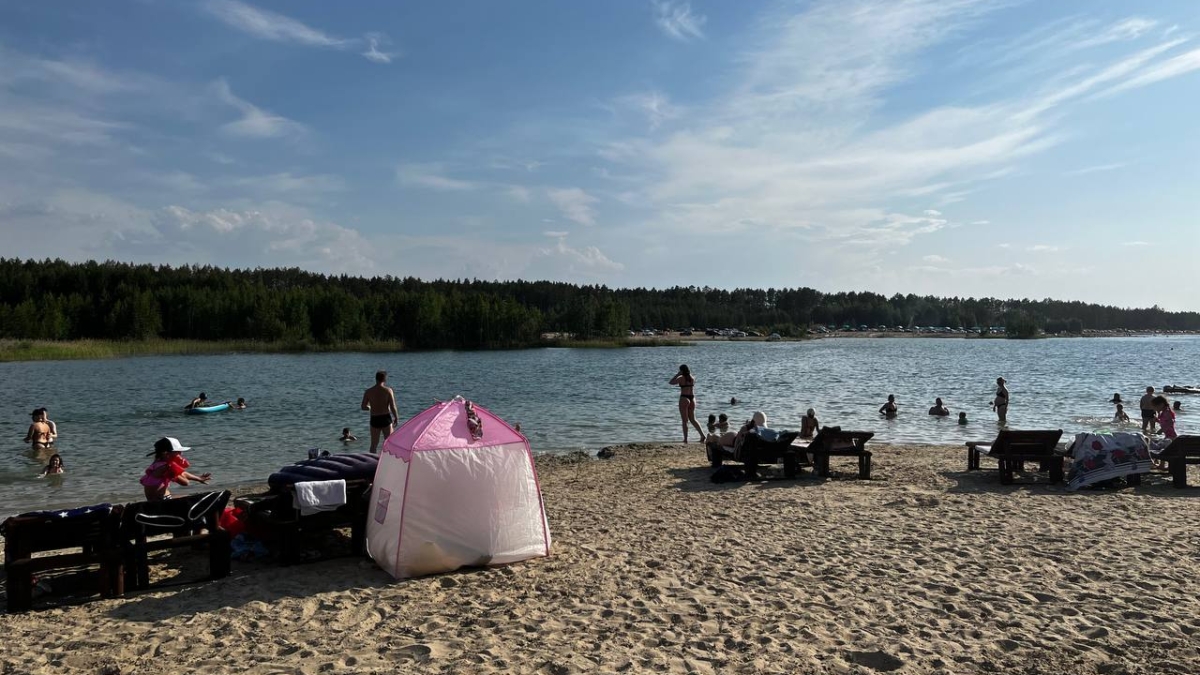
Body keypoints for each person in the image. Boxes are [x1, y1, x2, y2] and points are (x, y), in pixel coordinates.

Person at [140, 437, 211, 501]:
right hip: (162, 501)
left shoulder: (157, 464)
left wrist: (199, 478)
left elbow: (183, 473)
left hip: (152, 501)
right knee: (196, 499)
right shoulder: (167, 467)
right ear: (166, 453)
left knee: (187, 496)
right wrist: (175, 475)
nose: (181, 453)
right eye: (178, 452)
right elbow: (185, 483)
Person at [361, 370, 398, 453]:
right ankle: (387, 462)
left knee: (374, 444)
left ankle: (371, 462)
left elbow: (363, 407)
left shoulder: (368, 391)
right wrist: (396, 417)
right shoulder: (388, 390)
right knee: (389, 443)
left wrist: (370, 407)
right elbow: (393, 406)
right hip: (385, 418)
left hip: (374, 418)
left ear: (376, 379)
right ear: (385, 379)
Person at [670, 365, 705, 443]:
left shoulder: (681, 378)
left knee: (684, 421)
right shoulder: (692, 378)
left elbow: (671, 382)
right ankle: (702, 435)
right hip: (692, 398)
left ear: (681, 371)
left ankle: (685, 439)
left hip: (684, 398)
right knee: (693, 419)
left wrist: (678, 374)